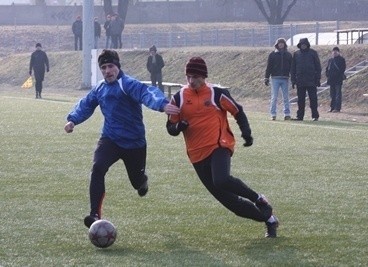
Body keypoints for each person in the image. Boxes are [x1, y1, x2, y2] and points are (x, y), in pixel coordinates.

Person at [64, 49, 180, 229]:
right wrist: (72, 120)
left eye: (110, 66)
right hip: (110, 139)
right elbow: (86, 104)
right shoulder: (100, 88)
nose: (107, 71)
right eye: (103, 68)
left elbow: (147, 93)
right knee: (97, 168)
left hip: (134, 143)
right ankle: (94, 215)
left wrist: (162, 104)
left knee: (137, 182)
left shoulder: (128, 84)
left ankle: (142, 181)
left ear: (117, 66)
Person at [166, 57, 279, 238]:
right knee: (232, 204)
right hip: (196, 155)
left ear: (204, 76)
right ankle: (269, 219)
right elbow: (170, 128)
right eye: (188, 77)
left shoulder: (217, 93)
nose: (191, 81)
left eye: (195, 76)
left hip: (219, 145)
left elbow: (238, 111)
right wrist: (179, 127)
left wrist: (246, 133)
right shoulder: (178, 97)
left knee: (221, 179)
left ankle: (258, 198)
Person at [291, 38, 322, 121]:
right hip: (300, 81)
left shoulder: (313, 53)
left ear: (307, 44)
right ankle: (300, 116)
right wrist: (293, 80)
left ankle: (315, 116)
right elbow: (293, 68)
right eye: (302, 44)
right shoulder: (296, 54)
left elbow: (318, 67)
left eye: (304, 44)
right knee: (300, 100)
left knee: (313, 99)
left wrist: (318, 78)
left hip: (311, 80)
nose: (303, 46)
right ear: (300, 45)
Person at [264, 38, 293, 121]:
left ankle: (287, 114)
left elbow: (291, 67)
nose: (281, 45)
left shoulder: (288, 55)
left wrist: (293, 77)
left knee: (286, 97)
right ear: (277, 44)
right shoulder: (272, 54)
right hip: (275, 78)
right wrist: (266, 77)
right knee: (274, 97)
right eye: (279, 43)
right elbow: (269, 66)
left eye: (282, 43)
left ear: (284, 44)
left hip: (285, 78)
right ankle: (273, 114)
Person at [325, 47, 346, 113]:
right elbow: (327, 68)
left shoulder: (341, 59)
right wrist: (327, 74)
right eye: (333, 51)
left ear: (338, 52)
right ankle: (332, 107)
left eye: (336, 51)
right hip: (331, 80)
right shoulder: (330, 60)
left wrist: (337, 75)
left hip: (338, 79)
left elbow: (342, 69)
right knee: (332, 94)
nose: (334, 53)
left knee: (338, 94)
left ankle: (337, 108)